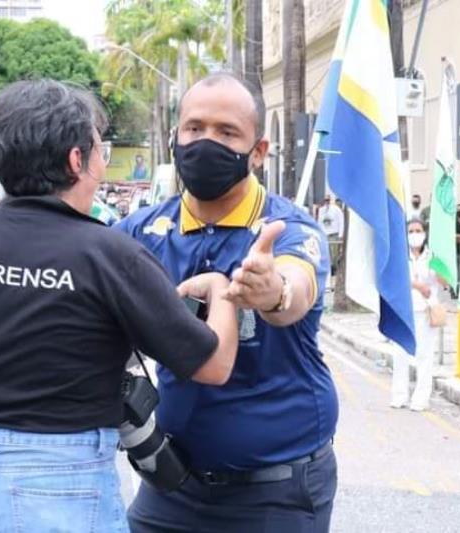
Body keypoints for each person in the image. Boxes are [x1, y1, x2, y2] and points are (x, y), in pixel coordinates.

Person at [0, 79, 240, 532]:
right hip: (60, 478)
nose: (102, 157)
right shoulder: (108, 254)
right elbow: (212, 365)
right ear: (78, 160)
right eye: (100, 147)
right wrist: (222, 293)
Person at [117, 73, 337, 532]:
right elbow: (69, 286)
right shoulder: (139, 233)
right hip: (170, 486)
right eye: (194, 128)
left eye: (227, 132)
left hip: (276, 494)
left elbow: (296, 290)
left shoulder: (288, 230)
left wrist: (272, 292)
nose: (205, 142)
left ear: (259, 152)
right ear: (174, 138)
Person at [390, 218, 442, 411]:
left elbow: (444, 282)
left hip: (426, 311)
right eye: (411, 231)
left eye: (418, 231)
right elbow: (396, 278)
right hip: (403, 310)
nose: (415, 235)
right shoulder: (400, 256)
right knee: (400, 353)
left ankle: (421, 397)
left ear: (425, 233)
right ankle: (399, 395)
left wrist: (440, 269)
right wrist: (418, 285)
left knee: (424, 355)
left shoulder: (433, 256)